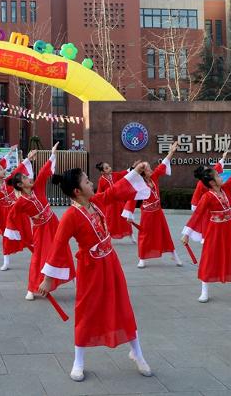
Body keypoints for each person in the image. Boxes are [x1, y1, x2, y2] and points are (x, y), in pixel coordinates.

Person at [39, 161, 152, 382]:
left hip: (111, 263)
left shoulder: (96, 202)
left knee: (123, 306)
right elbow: (57, 246)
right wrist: (47, 279)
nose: (92, 184)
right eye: (88, 182)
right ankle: (78, 361)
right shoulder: (71, 216)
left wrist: (135, 171)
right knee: (86, 312)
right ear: (77, 191)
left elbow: (115, 192)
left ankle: (137, 353)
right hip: (90, 270)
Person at [181, 146, 231, 303]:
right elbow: (197, 215)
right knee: (210, 258)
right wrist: (186, 234)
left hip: (229, 230)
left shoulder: (226, 189)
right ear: (211, 182)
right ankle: (204, 290)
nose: (220, 175)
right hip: (214, 231)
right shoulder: (207, 197)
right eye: (217, 175)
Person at [5, 143, 71, 301]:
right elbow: (11, 217)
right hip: (40, 229)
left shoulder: (38, 187)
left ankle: (67, 276)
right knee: (38, 258)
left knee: (61, 250)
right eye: (26, 178)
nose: (30, 178)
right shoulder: (20, 202)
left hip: (53, 223)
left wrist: (53, 154)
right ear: (20, 185)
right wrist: (14, 233)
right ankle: (31, 287)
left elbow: (43, 172)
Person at [122, 142, 183, 268]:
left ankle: (174, 254)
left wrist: (171, 152)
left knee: (165, 233)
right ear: (143, 173)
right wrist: (129, 214)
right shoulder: (138, 184)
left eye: (150, 168)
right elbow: (132, 199)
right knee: (145, 235)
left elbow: (163, 165)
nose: (151, 170)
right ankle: (142, 258)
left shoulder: (154, 176)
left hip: (158, 212)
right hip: (147, 214)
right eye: (148, 169)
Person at [0, 148, 34, 271]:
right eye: (0, 169)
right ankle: (6, 262)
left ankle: (38, 255)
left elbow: (18, 170)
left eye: (3, 169)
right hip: (5, 215)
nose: (3, 171)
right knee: (6, 238)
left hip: (18, 211)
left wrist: (28, 159)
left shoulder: (9, 181)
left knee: (28, 235)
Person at [96, 160, 134, 242]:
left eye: (109, 166)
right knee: (110, 221)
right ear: (102, 172)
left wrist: (132, 168)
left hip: (119, 202)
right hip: (110, 204)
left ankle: (130, 234)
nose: (109, 168)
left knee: (125, 218)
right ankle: (107, 236)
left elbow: (123, 174)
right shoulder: (101, 180)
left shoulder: (114, 175)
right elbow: (99, 192)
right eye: (106, 168)